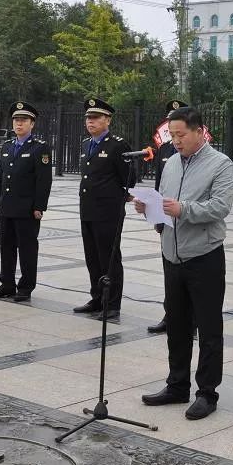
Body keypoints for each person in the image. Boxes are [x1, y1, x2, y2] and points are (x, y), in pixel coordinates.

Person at [138, 106, 233, 420]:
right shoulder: (170, 164)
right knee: (177, 325)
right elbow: (164, 203)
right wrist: (150, 208)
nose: (176, 141)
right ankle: (177, 384)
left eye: (181, 135)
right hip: (172, 254)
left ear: (199, 131)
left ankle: (207, 392)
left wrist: (184, 209)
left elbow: (220, 207)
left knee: (208, 327)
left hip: (204, 255)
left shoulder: (221, 164)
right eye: (172, 135)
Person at [73, 98, 132, 321]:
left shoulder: (117, 145)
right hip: (88, 210)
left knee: (109, 258)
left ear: (107, 120)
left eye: (96, 117)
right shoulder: (86, 144)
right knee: (92, 257)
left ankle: (112, 304)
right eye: (88, 117)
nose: (91, 121)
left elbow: (128, 177)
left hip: (108, 212)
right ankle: (96, 297)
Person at [0, 102, 52, 302]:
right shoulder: (8, 146)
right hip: (7, 207)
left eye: (23, 120)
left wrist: (39, 207)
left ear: (32, 124)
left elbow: (44, 181)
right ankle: (6, 284)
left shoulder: (39, 148)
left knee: (27, 249)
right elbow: (2, 177)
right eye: (16, 120)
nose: (19, 124)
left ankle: (25, 287)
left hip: (27, 210)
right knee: (6, 248)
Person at [147, 99, 188, 335]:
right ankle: (170, 314)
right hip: (167, 222)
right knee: (169, 273)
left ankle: (189, 320)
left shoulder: (194, 152)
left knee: (188, 275)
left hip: (186, 221)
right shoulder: (163, 149)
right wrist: (155, 214)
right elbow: (159, 185)